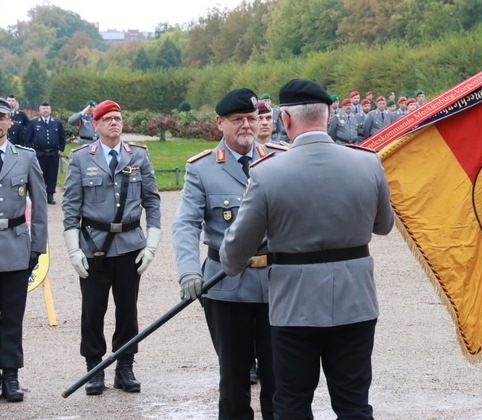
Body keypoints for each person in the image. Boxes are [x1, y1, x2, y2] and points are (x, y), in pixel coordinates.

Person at [219, 79, 395, 419]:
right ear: (328, 115)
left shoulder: (267, 174)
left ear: (285, 120)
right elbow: (383, 226)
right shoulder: (368, 163)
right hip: (354, 300)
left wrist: (231, 263)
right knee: (354, 404)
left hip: (295, 305)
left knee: (292, 403)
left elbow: (236, 250)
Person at [172, 88, 278, 420]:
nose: (247, 125)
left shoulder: (279, 159)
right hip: (226, 286)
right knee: (233, 380)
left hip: (278, 285)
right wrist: (189, 270)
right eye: (238, 120)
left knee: (280, 379)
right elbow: (186, 223)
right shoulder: (202, 169)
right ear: (220, 123)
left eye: (252, 118)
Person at [61, 99, 162, 396]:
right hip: (93, 245)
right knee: (92, 310)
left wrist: (152, 244)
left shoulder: (139, 155)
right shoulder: (81, 158)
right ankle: (94, 368)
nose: (114, 123)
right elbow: (70, 208)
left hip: (131, 244)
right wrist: (72, 249)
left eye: (117, 118)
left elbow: (152, 201)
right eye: (107, 119)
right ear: (95, 125)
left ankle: (124, 365)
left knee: (127, 309)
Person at [0, 97, 47, 403]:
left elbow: (40, 206)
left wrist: (37, 247)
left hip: (15, 245)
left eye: (2, 118)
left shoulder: (26, 157)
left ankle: (11, 376)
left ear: (9, 122)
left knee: (12, 317)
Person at [25, 101, 66, 205]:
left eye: (47, 108)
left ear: (50, 110)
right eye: (43, 108)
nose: (46, 110)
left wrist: (61, 148)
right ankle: (40, 195)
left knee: (52, 174)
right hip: (38, 152)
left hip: (53, 152)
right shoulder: (33, 123)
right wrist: (30, 151)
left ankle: (50, 194)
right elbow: (28, 139)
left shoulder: (57, 123)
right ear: (40, 110)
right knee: (40, 174)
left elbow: (62, 137)